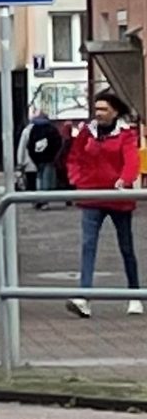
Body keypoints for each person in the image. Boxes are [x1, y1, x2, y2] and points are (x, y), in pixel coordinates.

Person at [64, 90, 143, 318]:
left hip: (118, 198)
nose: (98, 113)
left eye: (104, 109)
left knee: (126, 248)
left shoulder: (126, 134)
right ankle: (84, 297)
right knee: (88, 246)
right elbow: (74, 158)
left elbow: (132, 161)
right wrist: (76, 179)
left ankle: (135, 295)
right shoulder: (86, 132)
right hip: (91, 195)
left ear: (115, 112)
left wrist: (124, 180)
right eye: (96, 109)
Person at [25, 114, 66, 205]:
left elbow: (30, 145)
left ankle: (38, 198)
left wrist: (34, 158)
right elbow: (58, 143)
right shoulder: (52, 129)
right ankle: (44, 200)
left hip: (38, 159)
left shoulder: (34, 130)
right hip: (49, 158)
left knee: (39, 178)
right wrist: (55, 156)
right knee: (46, 178)